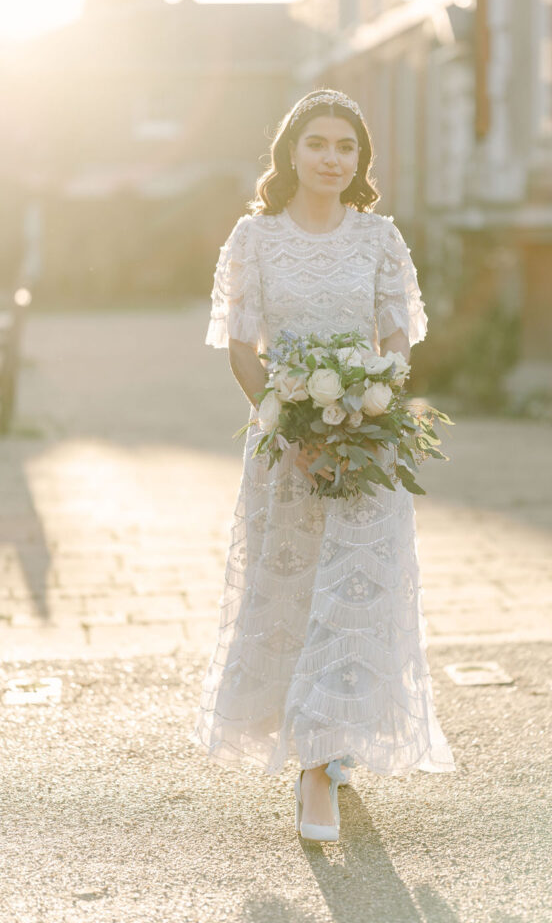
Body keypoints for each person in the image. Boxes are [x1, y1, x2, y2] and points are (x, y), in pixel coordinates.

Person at [191, 88, 455, 842]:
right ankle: (312, 756)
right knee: (296, 593)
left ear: (359, 161)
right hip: (285, 445)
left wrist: (372, 407)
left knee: (358, 597)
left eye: (347, 147)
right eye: (319, 144)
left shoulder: (378, 239)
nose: (332, 158)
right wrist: (293, 423)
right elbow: (242, 349)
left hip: (368, 446)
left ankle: (326, 759)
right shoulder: (255, 238)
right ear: (291, 153)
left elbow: (398, 340)